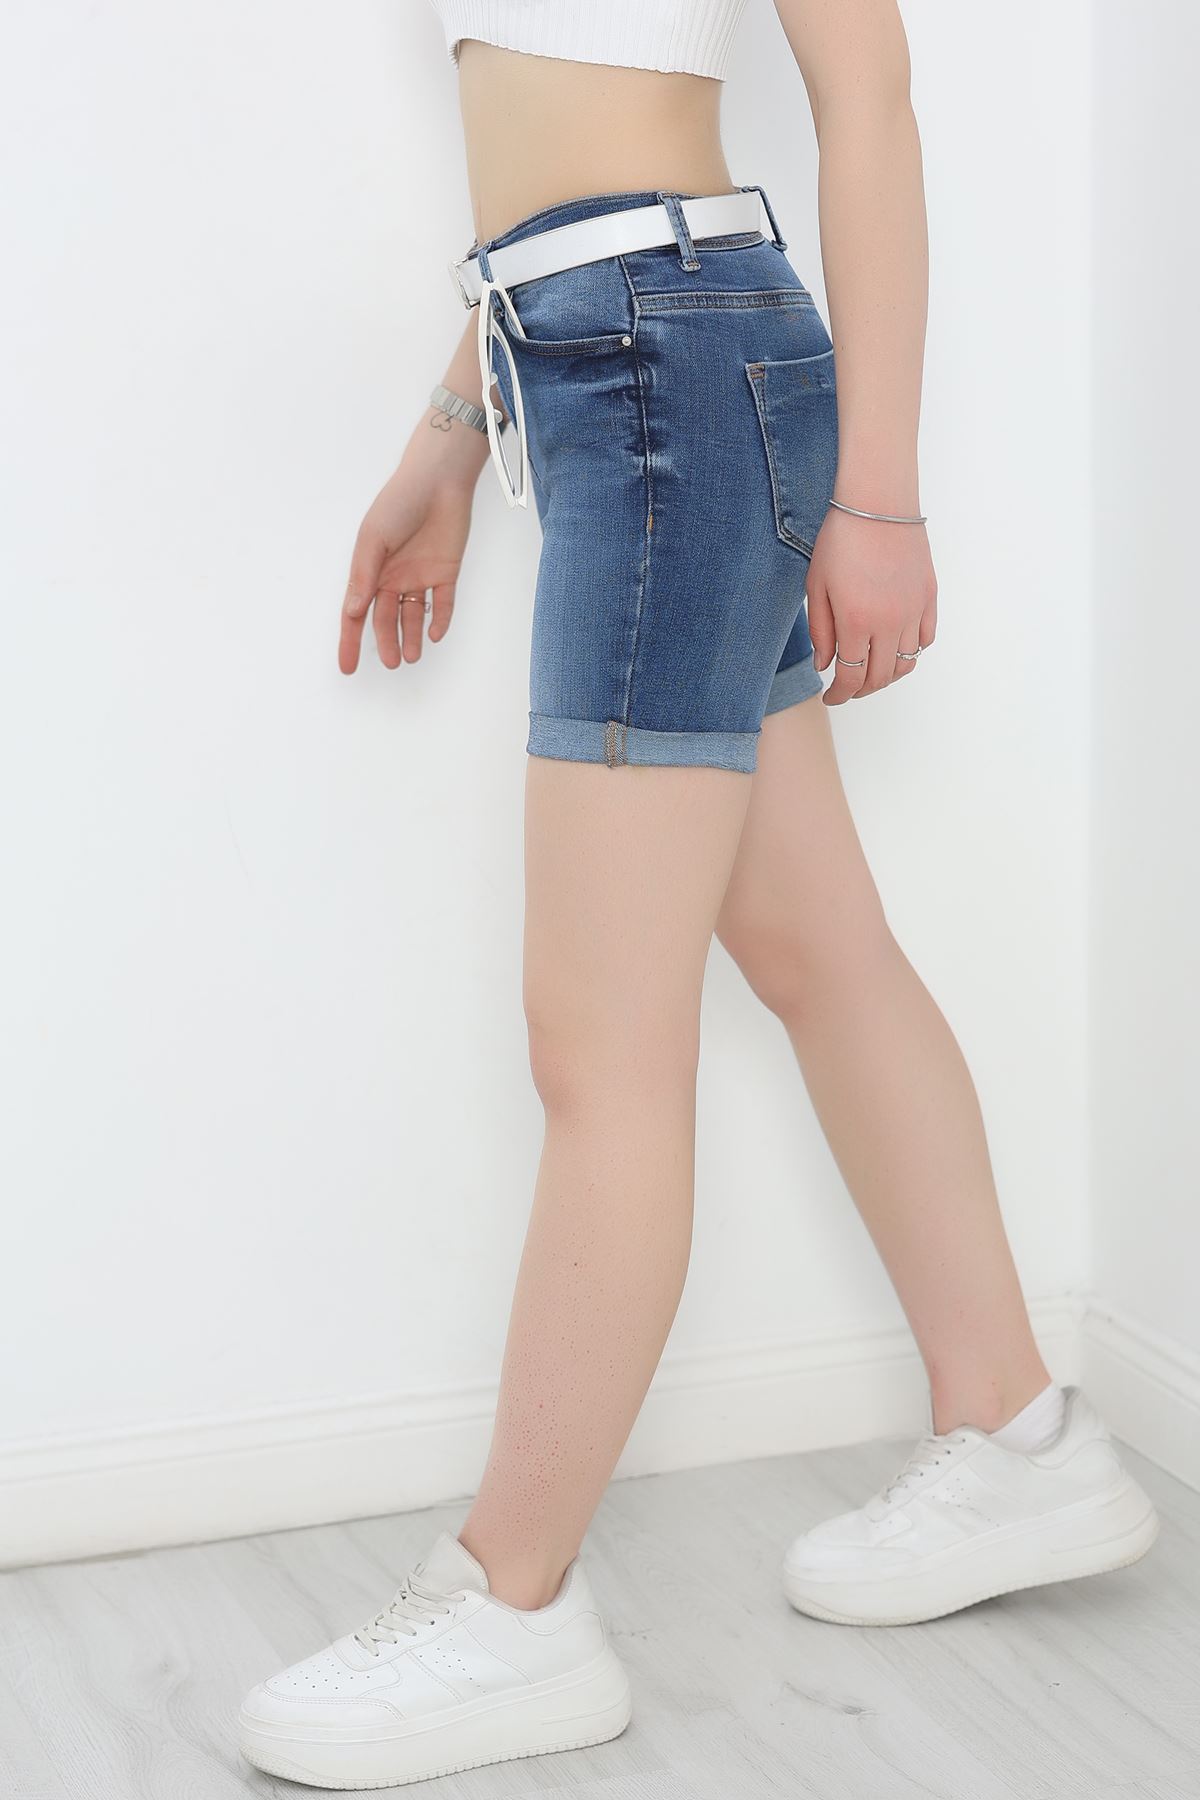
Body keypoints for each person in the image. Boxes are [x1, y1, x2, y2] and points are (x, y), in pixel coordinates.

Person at [238, 1, 1159, 1787]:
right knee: (816, 947)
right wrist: (453, 428)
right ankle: (1017, 1437)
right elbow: (555, 151)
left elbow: (868, 93)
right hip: (607, 356)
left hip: (667, 369)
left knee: (600, 1047)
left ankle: (512, 1605)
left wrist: (882, 503)